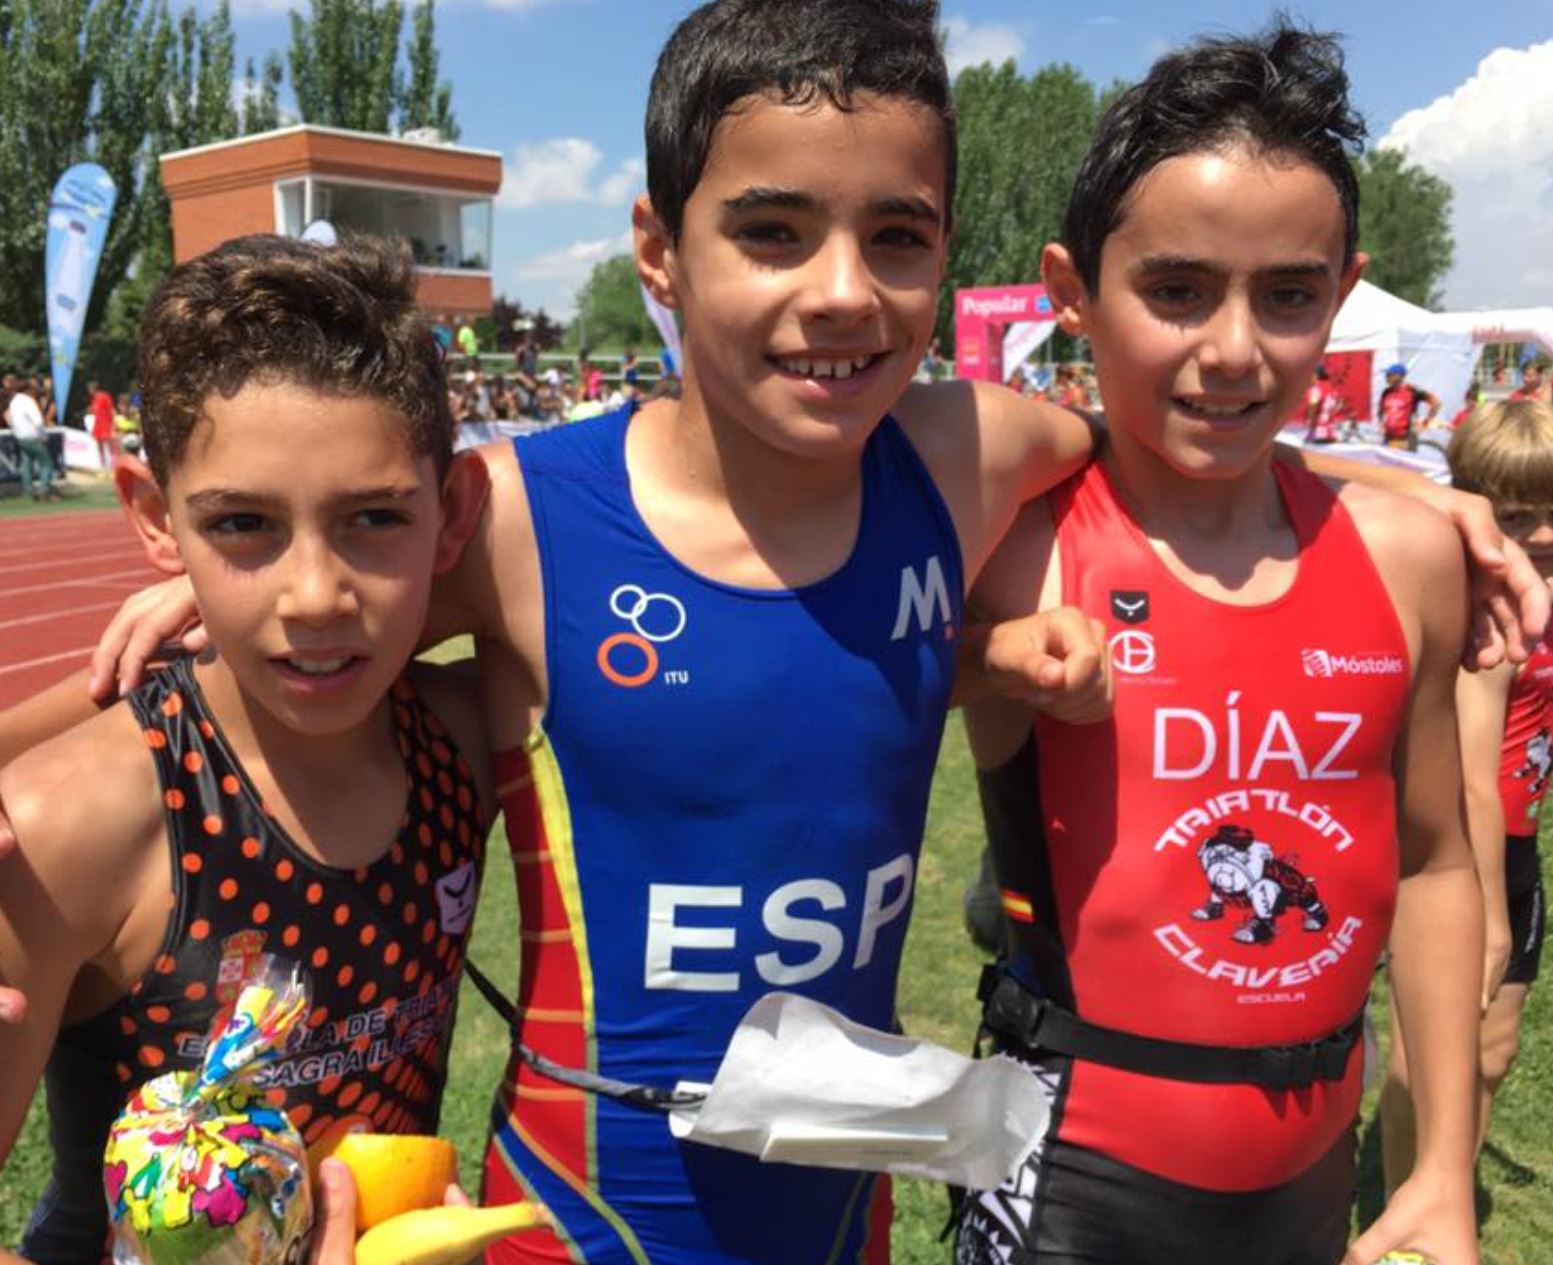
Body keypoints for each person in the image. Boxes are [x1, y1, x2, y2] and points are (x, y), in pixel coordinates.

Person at [22, 3, 1547, 1261]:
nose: (841, 294)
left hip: (842, 1211)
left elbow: (1184, 420)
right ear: (658, 249)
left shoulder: (964, 458)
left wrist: (1398, 491)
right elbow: (316, 583)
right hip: (580, 1215)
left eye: (898, 237)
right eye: (769, 230)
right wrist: (223, 594)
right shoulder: (518, 518)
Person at [954, 23, 1482, 1265]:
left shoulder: (1405, 557)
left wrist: (1441, 1168)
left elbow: (1433, 861)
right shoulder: (1012, 542)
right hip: (1069, 1174)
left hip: (1307, 1167)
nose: (1234, 350)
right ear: (1070, 290)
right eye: (1176, 291)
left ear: (1340, 294)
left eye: (1286, 295)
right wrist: (981, 662)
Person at [0, 234, 493, 1264]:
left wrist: (225, 573)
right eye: (243, 523)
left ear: (451, 513)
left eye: (373, 516)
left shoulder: (466, 739)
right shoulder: (65, 831)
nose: (313, 596)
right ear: (154, 517)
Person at [1381, 397, 1553, 1197]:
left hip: (1516, 851)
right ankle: (1405, 1220)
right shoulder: (1484, 611)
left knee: (1491, 1050)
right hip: (1455, 853)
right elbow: (1474, 780)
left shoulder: (1539, 588)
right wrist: (1486, 920)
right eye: (1516, 517)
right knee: (1426, 1057)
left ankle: (1440, 1202)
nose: (1541, 534)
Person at [5, 378, 57, 501]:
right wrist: (43, 436)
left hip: (20, 437)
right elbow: (38, 421)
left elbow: (10, 419)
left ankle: (27, 491)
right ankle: (44, 490)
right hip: (32, 436)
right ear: (28, 390)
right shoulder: (28, 401)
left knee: (26, 464)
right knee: (46, 463)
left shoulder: (13, 402)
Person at [1378, 361, 1439, 450]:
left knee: (1400, 459)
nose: (1386, 377)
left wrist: (1426, 422)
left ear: (1399, 376)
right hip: (1388, 438)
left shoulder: (1412, 390)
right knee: (1386, 459)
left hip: (1406, 438)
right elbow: (1380, 412)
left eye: (1389, 375)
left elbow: (1436, 402)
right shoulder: (1386, 392)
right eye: (1387, 375)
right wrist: (1381, 425)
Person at [1303, 362, 1343, 443]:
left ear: (1315, 376)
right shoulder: (1331, 388)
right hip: (1331, 431)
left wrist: (1309, 418)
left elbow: (1313, 404)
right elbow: (1340, 403)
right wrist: (1330, 413)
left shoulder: (1316, 389)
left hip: (1318, 431)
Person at [88, 380, 116, 470]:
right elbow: (95, 411)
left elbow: (111, 409)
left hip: (106, 425)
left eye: (90, 389)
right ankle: (102, 465)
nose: (89, 391)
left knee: (108, 446)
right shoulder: (94, 399)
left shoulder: (104, 396)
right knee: (99, 446)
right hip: (98, 425)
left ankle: (111, 465)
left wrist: (113, 425)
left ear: (94, 389)